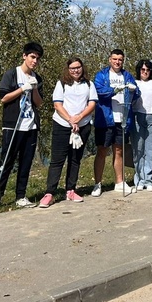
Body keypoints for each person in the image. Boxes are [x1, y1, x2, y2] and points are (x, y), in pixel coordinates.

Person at [39, 57, 98, 208]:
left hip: (83, 126)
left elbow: (92, 104)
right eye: (72, 68)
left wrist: (80, 117)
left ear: (82, 68)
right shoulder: (62, 84)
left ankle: (71, 189)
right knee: (57, 160)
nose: (76, 70)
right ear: (68, 70)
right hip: (62, 125)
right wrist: (71, 120)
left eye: (78, 67)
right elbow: (57, 105)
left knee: (75, 159)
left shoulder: (89, 84)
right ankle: (49, 193)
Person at [0, 41, 44, 210]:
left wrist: (35, 88)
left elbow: (39, 104)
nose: (34, 61)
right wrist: (23, 89)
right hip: (13, 125)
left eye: (37, 58)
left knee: (26, 162)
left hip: (30, 126)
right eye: (32, 57)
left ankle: (21, 196)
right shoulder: (12, 74)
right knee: (7, 161)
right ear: (24, 56)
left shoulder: (37, 77)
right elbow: (4, 98)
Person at [93, 49, 140, 197]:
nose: (117, 62)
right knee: (102, 151)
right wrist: (117, 89)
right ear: (109, 60)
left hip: (123, 118)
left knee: (119, 151)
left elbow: (136, 93)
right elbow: (100, 92)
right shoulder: (101, 75)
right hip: (106, 119)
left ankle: (119, 182)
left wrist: (133, 91)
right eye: (114, 59)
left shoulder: (127, 76)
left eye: (120, 59)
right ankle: (97, 184)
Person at [132, 59, 152, 191]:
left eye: (148, 70)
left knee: (151, 150)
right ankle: (139, 179)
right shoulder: (133, 83)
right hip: (137, 116)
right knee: (138, 150)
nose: (145, 72)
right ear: (139, 70)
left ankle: (149, 179)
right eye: (143, 70)